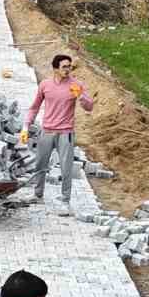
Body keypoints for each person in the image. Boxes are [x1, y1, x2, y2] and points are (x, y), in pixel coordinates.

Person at [20, 54, 95, 214]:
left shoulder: (76, 85)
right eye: (64, 67)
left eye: (69, 66)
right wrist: (26, 126)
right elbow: (34, 107)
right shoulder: (45, 85)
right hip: (46, 132)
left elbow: (90, 107)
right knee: (40, 165)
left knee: (66, 168)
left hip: (65, 134)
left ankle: (65, 201)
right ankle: (37, 195)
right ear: (55, 69)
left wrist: (80, 96)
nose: (68, 70)